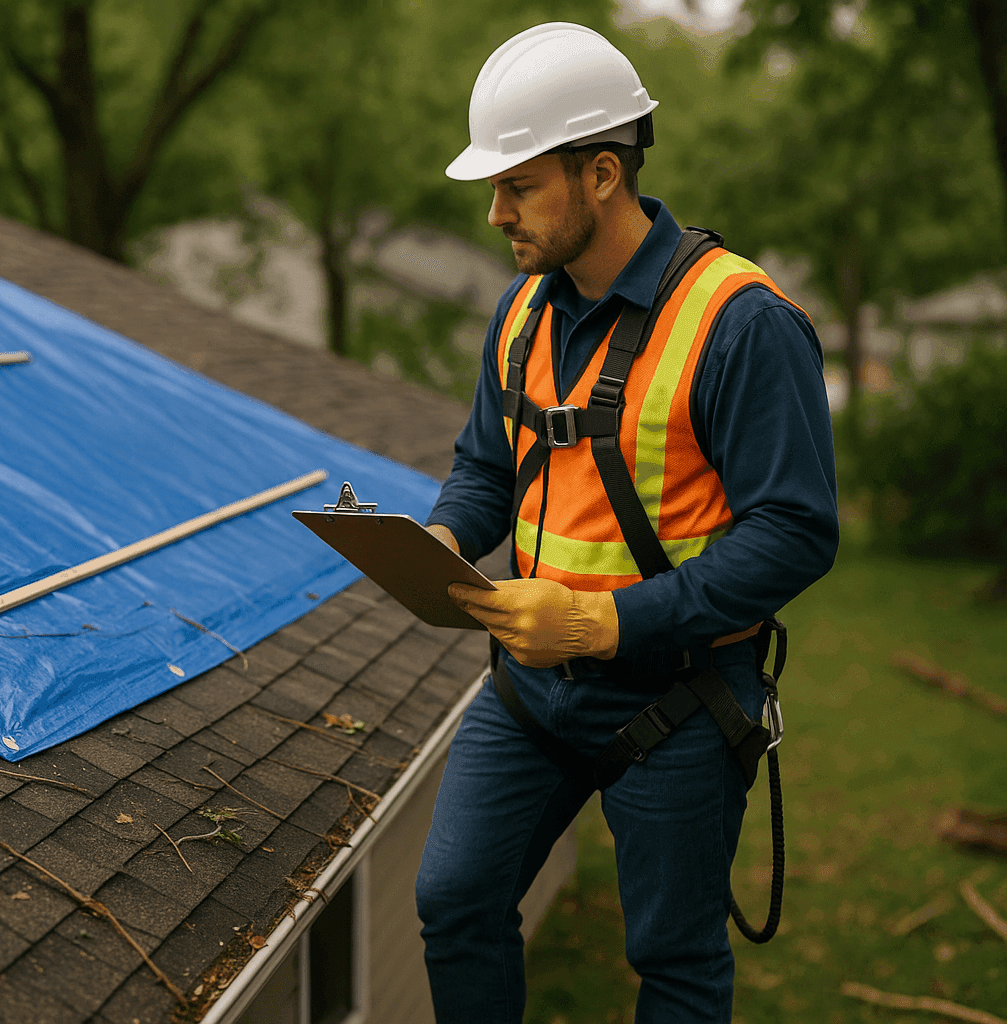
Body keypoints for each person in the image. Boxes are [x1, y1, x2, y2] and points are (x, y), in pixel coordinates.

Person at [413, 22, 839, 1023]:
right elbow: (488, 467)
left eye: (518, 184)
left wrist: (603, 623)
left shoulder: (741, 321)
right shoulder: (523, 314)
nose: (495, 212)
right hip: (530, 693)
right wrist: (439, 540)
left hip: (680, 701)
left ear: (602, 172)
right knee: (452, 897)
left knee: (674, 960)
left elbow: (795, 532)